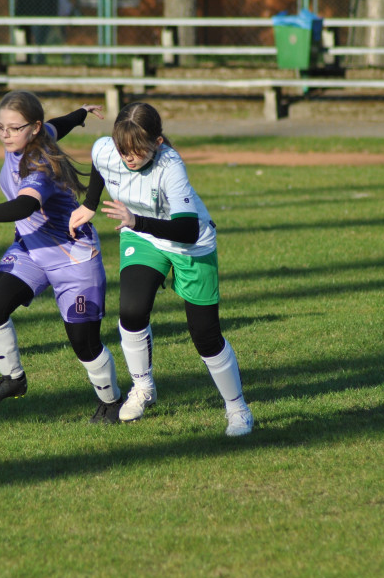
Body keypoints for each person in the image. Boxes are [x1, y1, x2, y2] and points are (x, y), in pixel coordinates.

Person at [0, 91, 124, 423]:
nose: (6, 135)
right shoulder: (33, 137)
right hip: (31, 248)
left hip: (73, 257)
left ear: (32, 129)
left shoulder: (38, 163)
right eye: (1, 127)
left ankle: (111, 401)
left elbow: (25, 206)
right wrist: (79, 114)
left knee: (84, 342)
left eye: (14, 128)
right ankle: (13, 379)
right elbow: (55, 126)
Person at [69, 102, 254, 437]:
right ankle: (143, 388)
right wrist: (89, 204)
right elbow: (100, 164)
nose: (129, 158)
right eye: (123, 149)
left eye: (138, 150)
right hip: (143, 238)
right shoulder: (106, 149)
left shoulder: (171, 166)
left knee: (205, 336)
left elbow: (187, 230)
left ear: (157, 142)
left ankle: (237, 408)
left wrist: (134, 219)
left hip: (191, 244)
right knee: (132, 310)